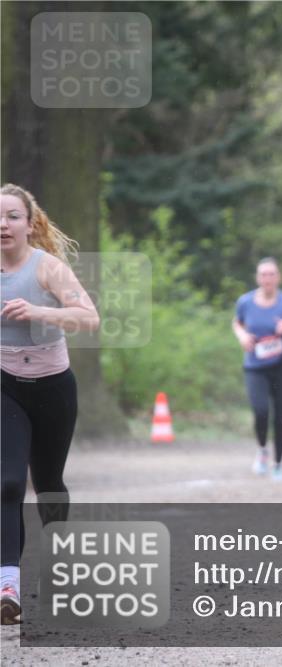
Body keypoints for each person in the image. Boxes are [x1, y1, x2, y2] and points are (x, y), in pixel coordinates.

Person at [1, 184, 100, 625]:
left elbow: (88, 318)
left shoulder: (48, 269)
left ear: (29, 223)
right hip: (4, 385)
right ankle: (9, 586)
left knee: (48, 481)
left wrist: (40, 313)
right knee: (6, 482)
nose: (3, 225)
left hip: (53, 386)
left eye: (12, 217)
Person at [233, 258, 282, 481]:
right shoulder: (245, 302)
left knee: (280, 417)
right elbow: (237, 322)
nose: (267, 278)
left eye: (272, 274)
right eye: (263, 274)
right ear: (258, 278)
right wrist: (242, 336)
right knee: (260, 411)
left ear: (279, 277)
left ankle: (278, 464)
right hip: (255, 367)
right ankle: (262, 450)